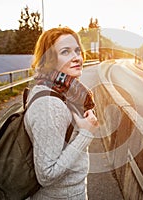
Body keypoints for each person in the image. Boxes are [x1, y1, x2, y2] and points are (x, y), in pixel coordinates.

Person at [24, 27, 98, 199]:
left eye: (77, 51)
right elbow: (46, 175)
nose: (77, 58)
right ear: (50, 59)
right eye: (66, 52)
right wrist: (86, 134)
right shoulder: (50, 104)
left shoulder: (60, 92)